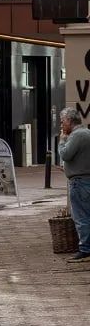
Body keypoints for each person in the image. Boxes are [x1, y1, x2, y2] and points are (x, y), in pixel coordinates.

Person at [63, 109, 90, 263]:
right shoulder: (87, 133)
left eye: (62, 121)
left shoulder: (76, 135)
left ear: (69, 120)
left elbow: (66, 154)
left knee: (81, 217)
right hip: (85, 178)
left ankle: (85, 249)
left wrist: (61, 141)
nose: (62, 125)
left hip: (79, 182)